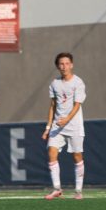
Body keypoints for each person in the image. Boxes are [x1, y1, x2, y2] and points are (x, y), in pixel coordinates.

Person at [42, 53, 86, 200]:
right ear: (57, 66)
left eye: (67, 63)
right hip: (57, 126)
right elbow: (52, 106)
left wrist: (66, 119)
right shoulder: (54, 84)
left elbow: (77, 104)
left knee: (77, 156)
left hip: (74, 125)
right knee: (51, 153)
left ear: (71, 65)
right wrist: (48, 127)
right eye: (61, 64)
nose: (64, 66)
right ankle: (57, 189)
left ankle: (78, 191)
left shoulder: (78, 83)